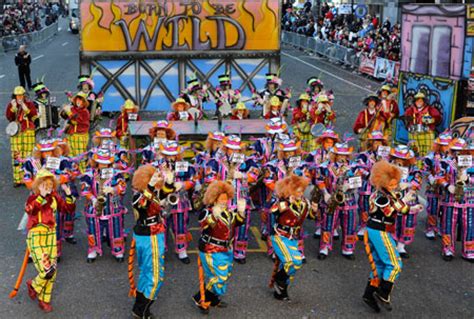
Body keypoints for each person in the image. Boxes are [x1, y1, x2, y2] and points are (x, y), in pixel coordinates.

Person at [362, 160, 413, 313]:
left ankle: (368, 294)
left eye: (395, 184)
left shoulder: (388, 193)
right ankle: (383, 293)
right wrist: (405, 199)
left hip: (379, 230)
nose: (394, 186)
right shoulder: (379, 195)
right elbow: (388, 211)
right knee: (395, 264)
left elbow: (402, 209)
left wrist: (412, 206)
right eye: (391, 184)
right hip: (379, 230)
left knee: (379, 266)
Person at [128, 165, 176, 319]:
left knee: (147, 273)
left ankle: (139, 309)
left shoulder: (152, 193)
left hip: (152, 234)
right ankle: (142, 310)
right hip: (150, 236)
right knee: (156, 276)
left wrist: (169, 180)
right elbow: (143, 205)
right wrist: (150, 185)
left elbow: (165, 193)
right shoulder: (138, 196)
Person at [24, 169, 75, 313]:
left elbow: (68, 209)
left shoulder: (55, 197)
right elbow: (30, 210)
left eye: (50, 183)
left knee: (53, 270)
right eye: (44, 183)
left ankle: (43, 298)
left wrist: (69, 195)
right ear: (38, 185)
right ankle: (34, 285)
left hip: (51, 236)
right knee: (46, 269)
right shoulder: (32, 198)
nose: (48, 186)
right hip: (36, 236)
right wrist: (41, 196)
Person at [192, 181, 246, 314]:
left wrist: (241, 211)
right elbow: (203, 224)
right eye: (221, 198)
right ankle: (200, 298)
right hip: (211, 249)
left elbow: (238, 223)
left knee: (223, 275)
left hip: (226, 249)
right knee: (219, 277)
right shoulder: (207, 211)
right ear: (214, 198)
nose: (224, 201)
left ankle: (213, 299)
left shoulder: (228, 212)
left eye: (226, 198)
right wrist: (213, 217)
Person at [269, 175, 317, 301]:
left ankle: (280, 291)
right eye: (298, 191)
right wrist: (288, 202)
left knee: (288, 266)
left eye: (302, 190)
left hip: (294, 238)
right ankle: (279, 280)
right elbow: (273, 211)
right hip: (280, 235)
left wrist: (314, 210)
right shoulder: (283, 201)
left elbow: (310, 216)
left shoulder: (305, 202)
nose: (301, 193)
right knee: (294, 261)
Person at [80, 148, 127, 263]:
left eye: (106, 162)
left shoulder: (116, 173)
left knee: (116, 229)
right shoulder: (89, 174)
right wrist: (93, 198)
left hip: (113, 206)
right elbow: (85, 189)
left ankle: (118, 250)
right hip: (95, 206)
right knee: (93, 229)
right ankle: (93, 250)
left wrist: (113, 189)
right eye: (101, 162)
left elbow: (123, 187)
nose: (104, 165)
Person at [6, 86, 38, 187]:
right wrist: (13, 108)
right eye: (17, 96)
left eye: (21, 95)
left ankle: (27, 176)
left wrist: (24, 106)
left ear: (24, 96)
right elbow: (9, 117)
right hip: (16, 133)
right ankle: (17, 179)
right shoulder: (11, 104)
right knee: (16, 155)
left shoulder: (30, 104)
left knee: (28, 154)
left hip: (28, 132)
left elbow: (34, 115)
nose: (19, 97)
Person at [422, 133, 452, 240]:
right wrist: (431, 178)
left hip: (447, 188)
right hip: (433, 187)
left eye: (448, 144)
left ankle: (441, 228)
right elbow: (425, 171)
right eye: (444, 145)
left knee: (445, 210)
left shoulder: (452, 158)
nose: (446, 147)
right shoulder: (430, 157)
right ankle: (431, 228)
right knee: (432, 208)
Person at [403, 91, 442, 159]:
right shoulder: (410, 110)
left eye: (421, 101)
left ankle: (425, 167)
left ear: (424, 102)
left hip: (427, 134)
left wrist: (431, 120)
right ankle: (416, 167)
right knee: (414, 151)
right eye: (417, 101)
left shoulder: (430, 110)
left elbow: (438, 118)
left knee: (426, 152)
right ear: (415, 102)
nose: (419, 103)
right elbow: (405, 119)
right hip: (414, 133)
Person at [61, 92, 90, 172]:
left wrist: (69, 112)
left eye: (81, 100)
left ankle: (83, 172)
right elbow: (65, 117)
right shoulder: (73, 108)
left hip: (80, 136)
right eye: (77, 99)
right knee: (70, 153)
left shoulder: (85, 112)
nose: (78, 101)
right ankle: (72, 171)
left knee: (80, 155)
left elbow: (76, 121)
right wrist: (64, 110)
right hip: (71, 134)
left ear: (84, 102)